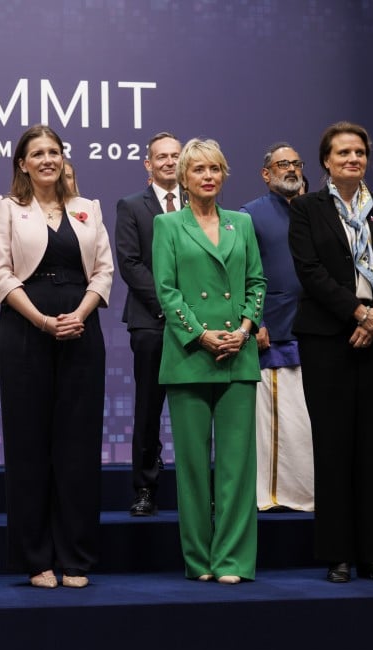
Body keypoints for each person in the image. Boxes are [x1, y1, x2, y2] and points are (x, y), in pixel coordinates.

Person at [0, 125, 113, 589]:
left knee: (78, 447)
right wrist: (43, 321)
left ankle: (76, 557)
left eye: (53, 152)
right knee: (29, 447)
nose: (47, 159)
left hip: (82, 329)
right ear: (22, 163)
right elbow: (0, 275)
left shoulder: (88, 209)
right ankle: (36, 558)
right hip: (26, 331)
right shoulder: (6, 208)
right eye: (36, 153)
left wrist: (78, 314)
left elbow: (103, 271)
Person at [288, 121, 373, 584]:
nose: (352, 159)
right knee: (335, 447)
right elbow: (311, 271)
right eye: (343, 153)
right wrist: (357, 314)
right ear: (326, 162)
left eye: (359, 153)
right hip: (327, 339)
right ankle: (338, 554)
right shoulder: (307, 209)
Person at [152, 138, 265, 584]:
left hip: (239, 353)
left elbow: (257, 282)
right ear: (183, 176)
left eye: (215, 168)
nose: (208, 176)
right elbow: (167, 289)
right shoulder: (168, 225)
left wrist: (242, 331)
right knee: (194, 469)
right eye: (199, 169)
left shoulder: (243, 224)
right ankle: (199, 560)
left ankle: (233, 561)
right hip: (189, 356)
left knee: (238, 466)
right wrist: (200, 334)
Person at [240, 143, 315, 512]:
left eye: (295, 163)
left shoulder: (319, 210)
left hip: (320, 331)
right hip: (275, 331)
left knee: (311, 423)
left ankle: (312, 492)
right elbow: (242, 275)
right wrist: (256, 322)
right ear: (266, 174)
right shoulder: (248, 216)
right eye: (281, 164)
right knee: (280, 423)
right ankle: (276, 496)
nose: (290, 169)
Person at [114, 132, 182, 517]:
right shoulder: (130, 206)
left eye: (175, 155)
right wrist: (170, 308)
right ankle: (144, 487)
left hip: (197, 325)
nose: (169, 162)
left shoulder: (198, 203)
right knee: (148, 407)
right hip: (151, 321)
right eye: (162, 157)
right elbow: (130, 264)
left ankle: (199, 487)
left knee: (193, 407)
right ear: (148, 164)